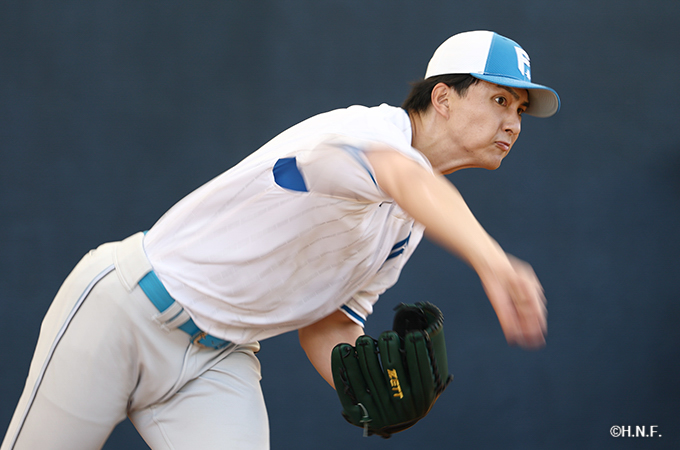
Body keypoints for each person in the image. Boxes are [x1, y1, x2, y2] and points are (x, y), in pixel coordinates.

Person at [2, 30, 560, 449]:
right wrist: (492, 261)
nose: (514, 122)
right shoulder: (366, 133)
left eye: (519, 110)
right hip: (126, 313)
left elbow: (330, 322)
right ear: (442, 97)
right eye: (499, 100)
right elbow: (403, 177)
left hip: (219, 360)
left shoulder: (407, 225)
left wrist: (372, 388)